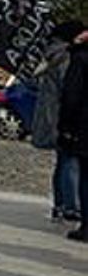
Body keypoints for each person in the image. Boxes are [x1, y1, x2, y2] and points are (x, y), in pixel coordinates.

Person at [33, 22, 80, 223]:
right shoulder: (67, 57)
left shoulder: (52, 54)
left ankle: (61, 205)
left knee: (63, 161)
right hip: (63, 116)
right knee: (71, 160)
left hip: (51, 116)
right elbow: (71, 89)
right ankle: (72, 206)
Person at [55, 21, 88, 242]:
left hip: (83, 126)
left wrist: (65, 127)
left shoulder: (80, 58)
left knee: (84, 175)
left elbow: (71, 96)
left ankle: (83, 221)